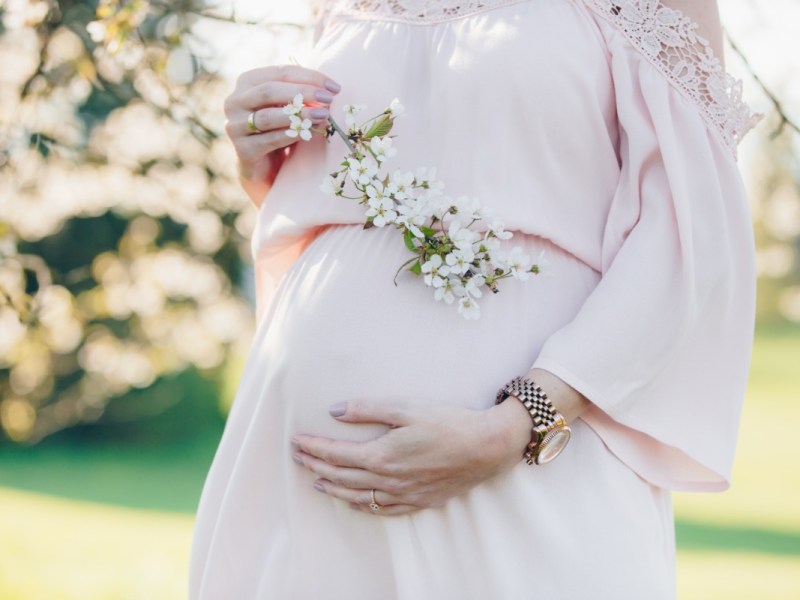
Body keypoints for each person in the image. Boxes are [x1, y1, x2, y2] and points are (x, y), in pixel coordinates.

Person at [189, 0, 759, 597]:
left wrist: (513, 428)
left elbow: (691, 231)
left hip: (525, 463)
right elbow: (343, 213)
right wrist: (260, 160)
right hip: (307, 472)